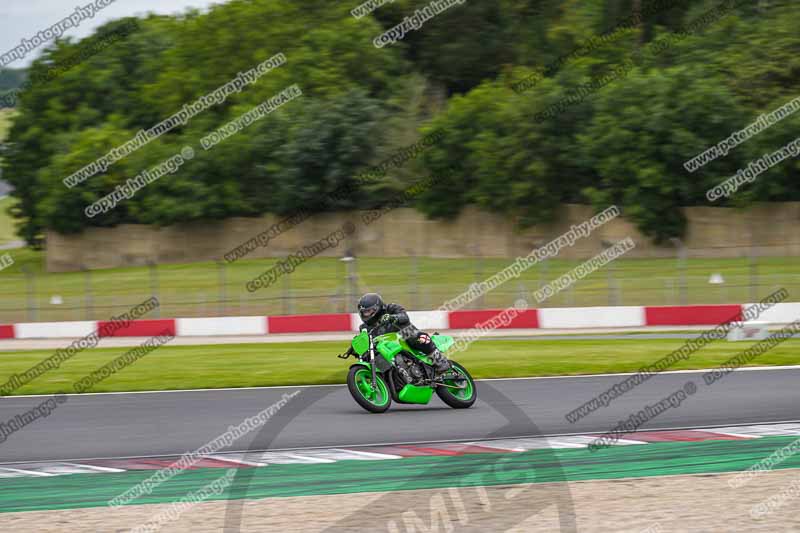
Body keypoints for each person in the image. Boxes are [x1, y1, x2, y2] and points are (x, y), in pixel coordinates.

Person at [356, 292, 451, 373]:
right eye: (364, 312)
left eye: (368, 311)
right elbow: (366, 342)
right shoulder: (364, 328)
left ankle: (440, 361)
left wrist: (393, 317)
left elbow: (404, 316)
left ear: (377, 308)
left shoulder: (391, 308)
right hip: (388, 348)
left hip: (404, 337)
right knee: (370, 355)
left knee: (416, 336)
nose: (366, 314)